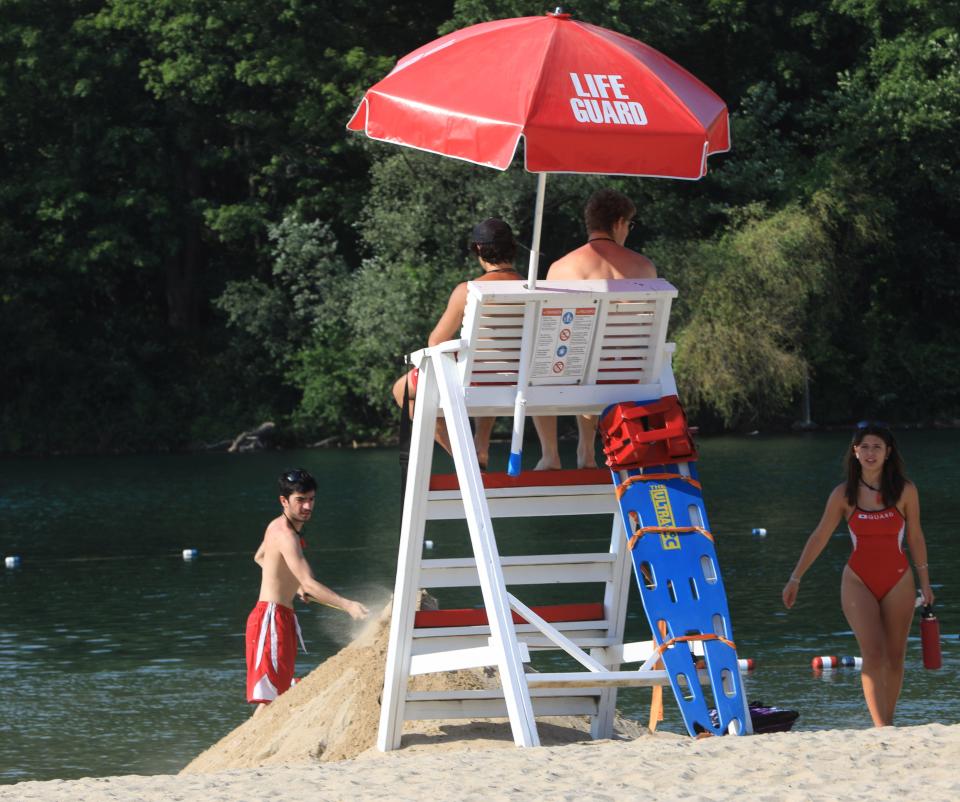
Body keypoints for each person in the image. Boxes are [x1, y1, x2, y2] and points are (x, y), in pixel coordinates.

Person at [781, 424, 934, 727]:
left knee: (895, 655)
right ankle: (881, 727)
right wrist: (796, 577)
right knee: (873, 654)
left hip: (899, 579)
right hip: (857, 580)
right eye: (864, 447)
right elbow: (820, 536)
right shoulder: (843, 494)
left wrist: (926, 585)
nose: (870, 453)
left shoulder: (905, 490)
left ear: (888, 453)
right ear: (855, 452)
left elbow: (915, 537)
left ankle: (888, 723)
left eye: (877, 447)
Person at [534, 188, 657, 470]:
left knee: (574, 356)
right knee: (594, 358)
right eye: (629, 224)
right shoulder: (644, 267)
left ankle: (553, 456)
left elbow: (553, 332)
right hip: (631, 374)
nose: (629, 231)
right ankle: (587, 452)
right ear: (617, 223)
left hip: (576, 370)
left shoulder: (561, 267)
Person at [391, 218, 523, 469]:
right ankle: (481, 442)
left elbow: (436, 342)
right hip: (517, 379)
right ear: (513, 248)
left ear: (478, 250)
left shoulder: (468, 290)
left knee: (401, 391)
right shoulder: (533, 288)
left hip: (478, 377)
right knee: (490, 365)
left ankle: (466, 457)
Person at [246, 468, 369, 710]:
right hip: (270, 620)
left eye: (311, 499)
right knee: (270, 701)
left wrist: (297, 585)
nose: (307, 506)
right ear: (284, 501)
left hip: (280, 618)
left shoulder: (276, 525)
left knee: (278, 693)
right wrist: (348, 605)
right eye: (300, 500)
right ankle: (247, 747)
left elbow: (259, 556)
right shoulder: (286, 535)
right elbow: (311, 583)